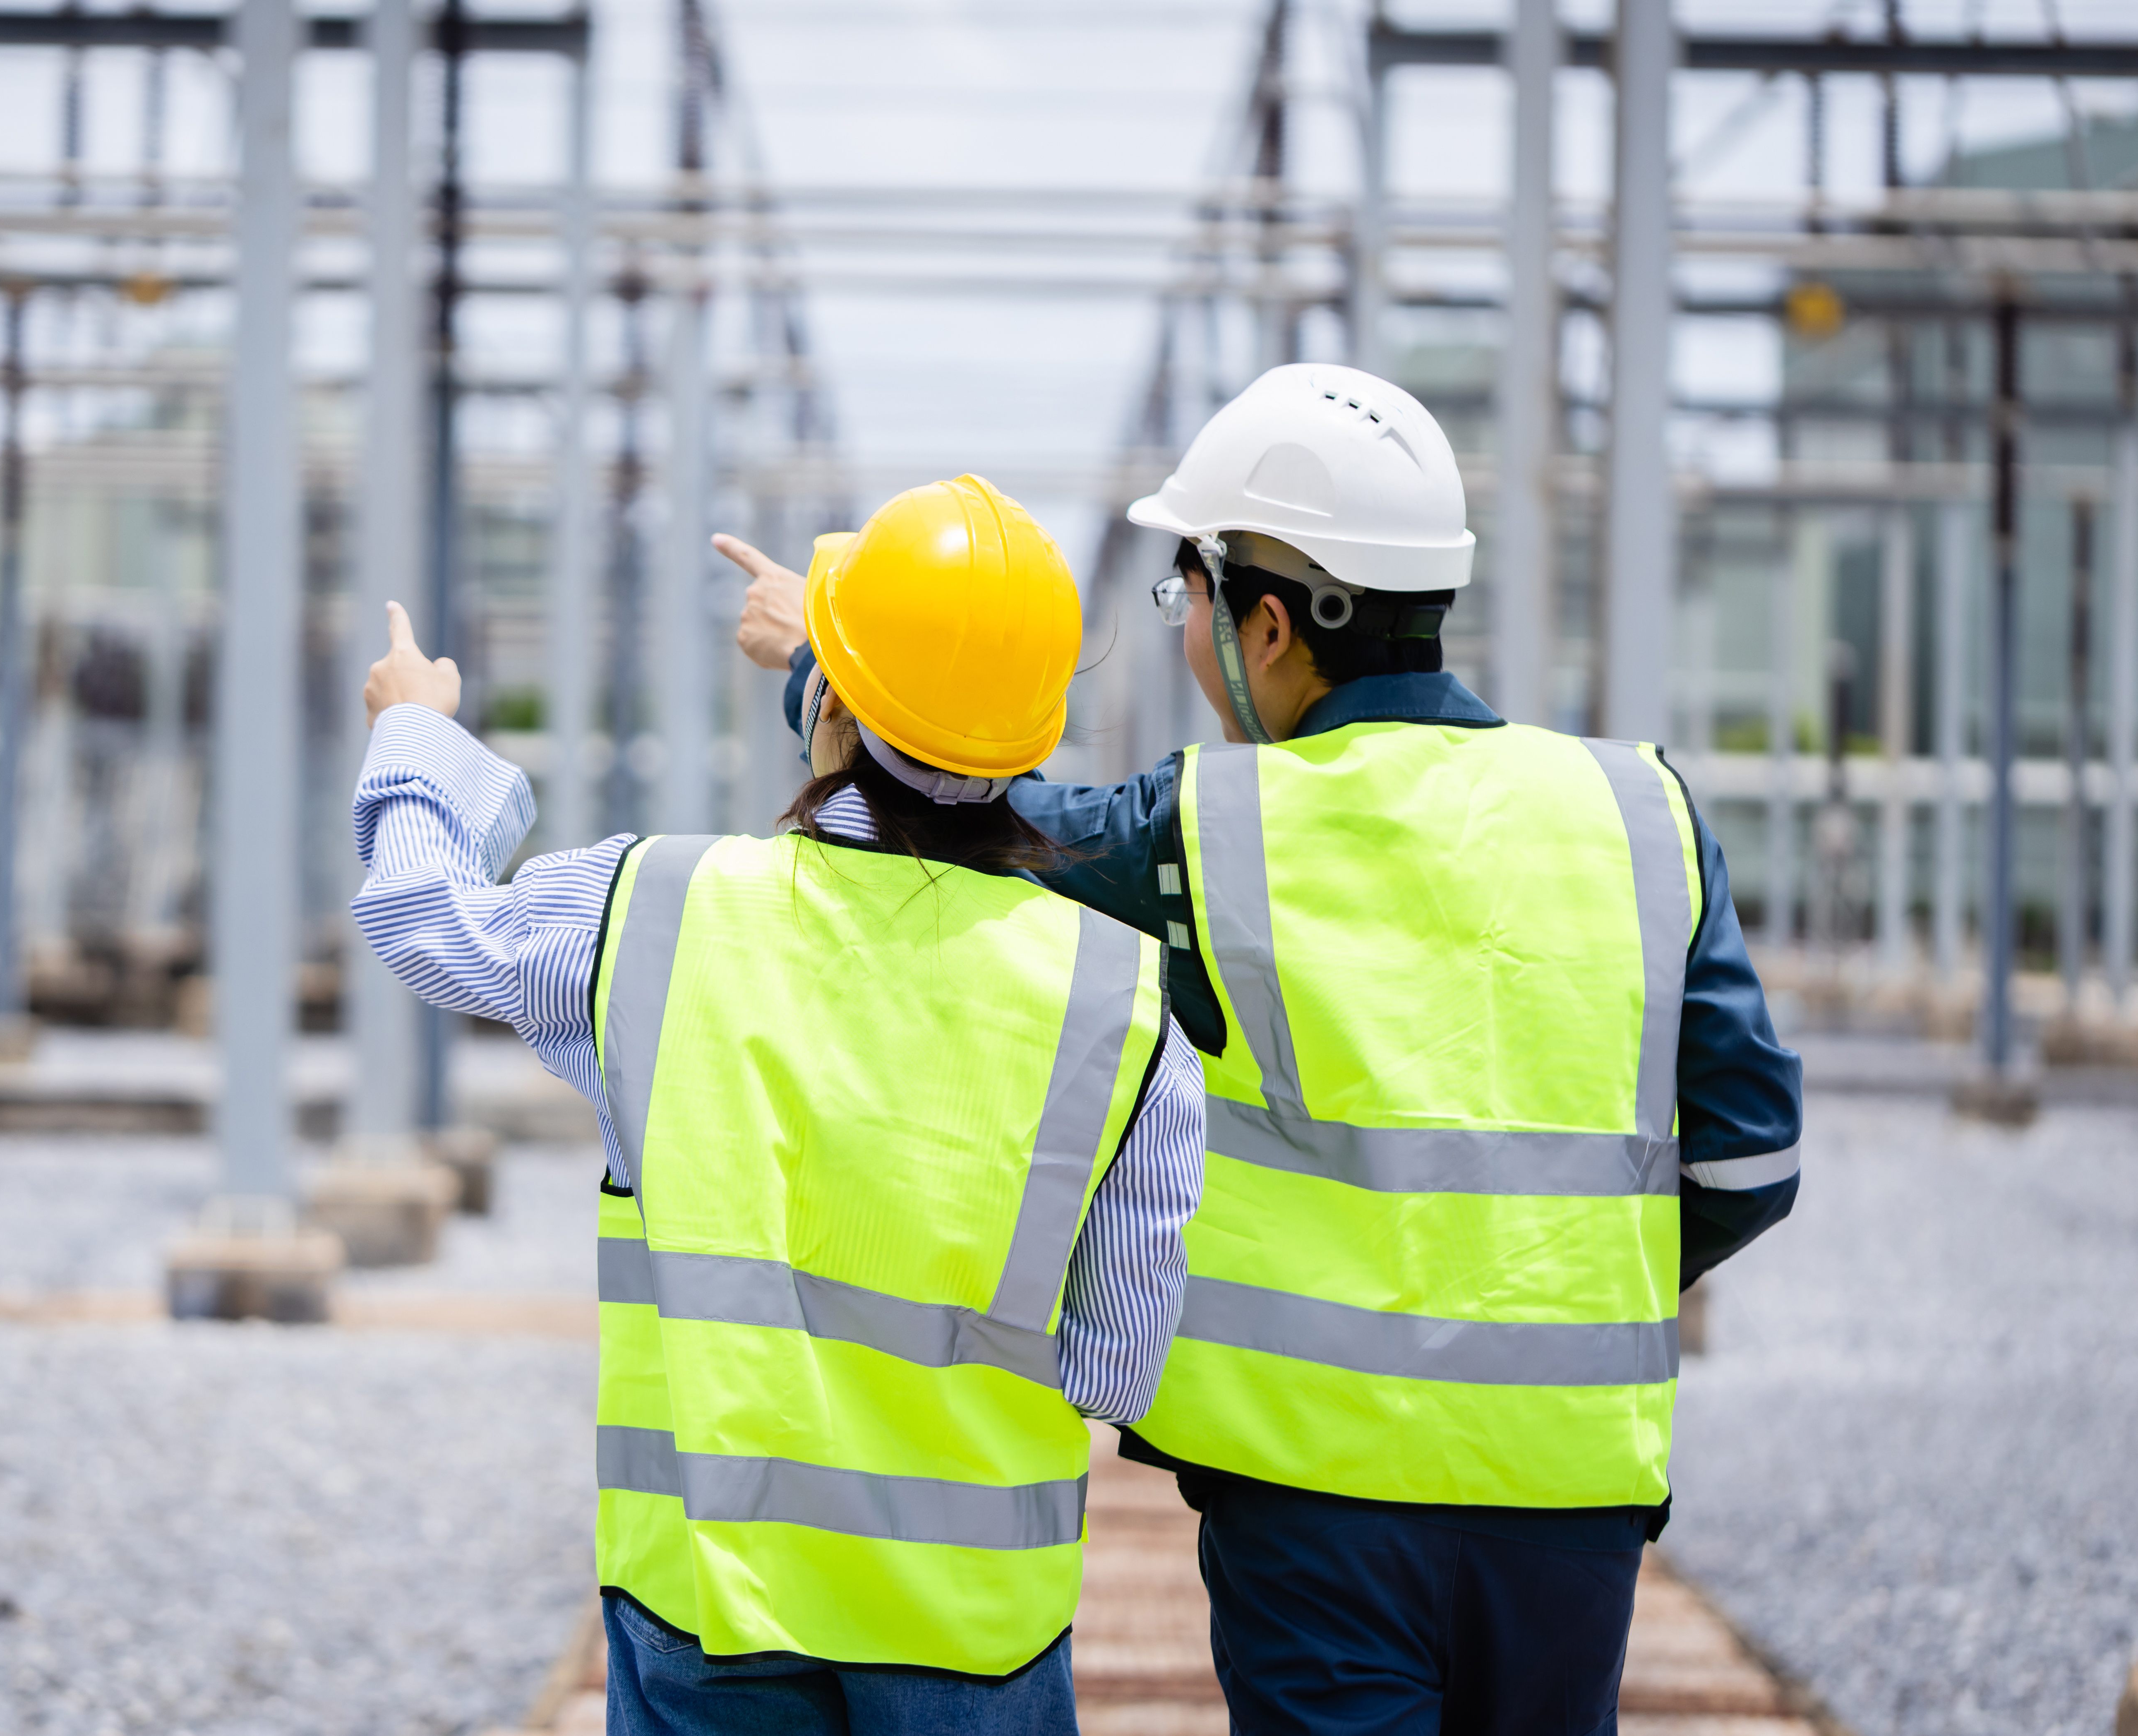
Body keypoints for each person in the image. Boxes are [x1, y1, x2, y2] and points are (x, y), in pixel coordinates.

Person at [722, 364, 1805, 1735]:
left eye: (1190, 601)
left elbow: (976, 808)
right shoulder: (1638, 809)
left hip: (1317, 1502)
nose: (1189, 637)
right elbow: (1753, 1156)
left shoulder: (1209, 828)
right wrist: (1574, 1284)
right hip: (1573, 1496)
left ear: (1274, 623)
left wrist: (829, 657)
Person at [352, 473, 1206, 1735]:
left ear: (833, 707)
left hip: (712, 1589)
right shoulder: (1120, 999)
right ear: (1034, 741)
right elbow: (1114, 1364)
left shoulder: (655, 910)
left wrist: (417, 735)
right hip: (973, 1629)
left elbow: (429, 924)